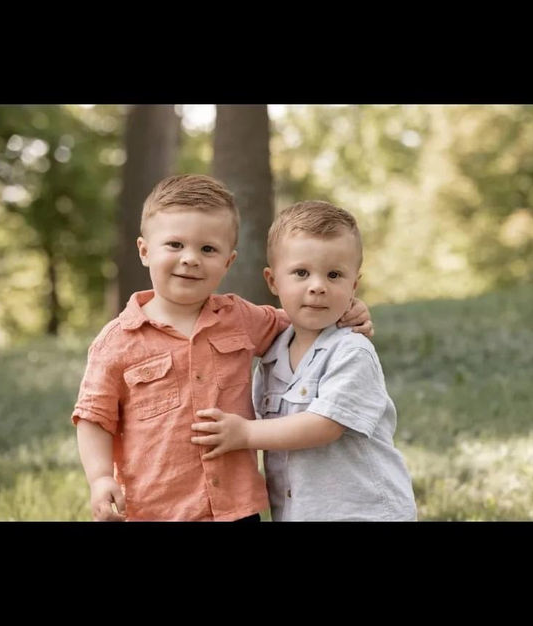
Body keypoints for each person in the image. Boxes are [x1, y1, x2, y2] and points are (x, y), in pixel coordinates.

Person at [71, 176, 374, 521]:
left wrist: (350, 309)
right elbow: (94, 417)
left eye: (208, 249)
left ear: (228, 262)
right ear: (144, 251)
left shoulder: (241, 318)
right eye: (175, 245)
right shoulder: (117, 342)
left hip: (235, 508)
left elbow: (302, 318)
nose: (190, 259)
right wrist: (100, 478)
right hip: (156, 509)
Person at [191, 200, 416, 521]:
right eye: (301, 273)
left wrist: (245, 434)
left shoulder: (352, 351)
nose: (318, 287)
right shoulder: (273, 353)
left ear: (354, 285)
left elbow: (325, 425)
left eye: (334, 275)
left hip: (362, 512)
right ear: (273, 281)